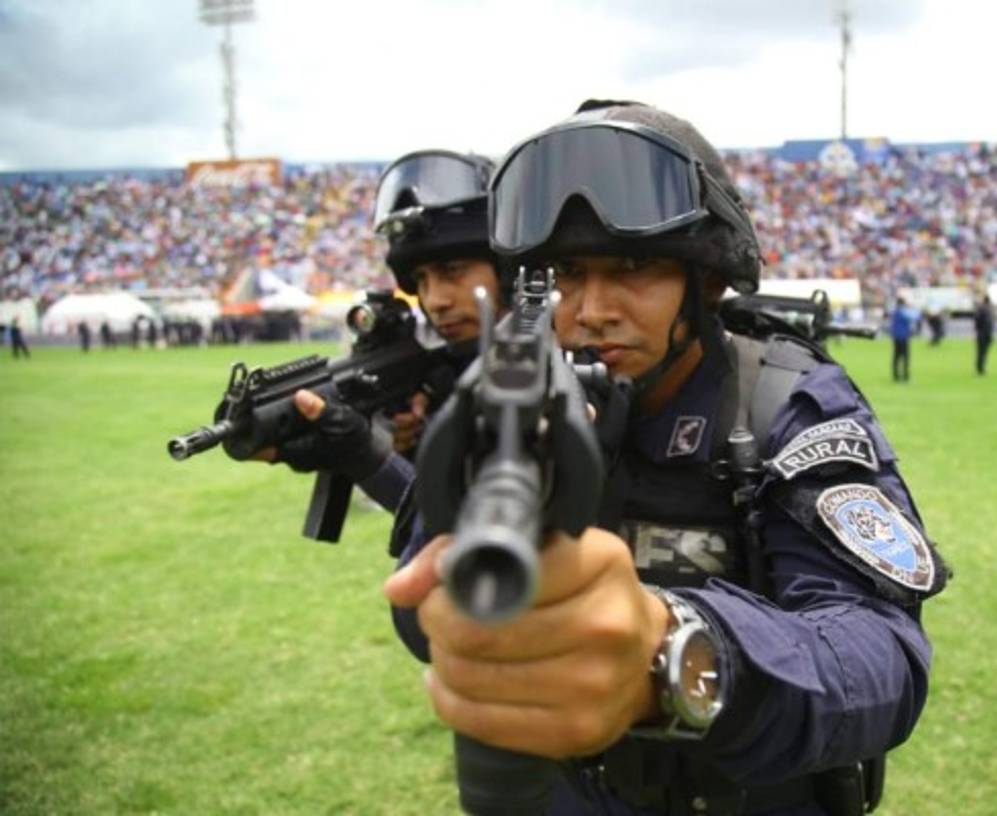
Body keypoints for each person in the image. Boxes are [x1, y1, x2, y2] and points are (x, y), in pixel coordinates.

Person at [383, 101, 947, 815]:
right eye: (567, 272)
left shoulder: (781, 402)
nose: (591, 309)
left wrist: (678, 649)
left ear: (706, 280)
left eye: (634, 267)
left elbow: (881, 658)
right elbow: (416, 602)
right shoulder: (518, 396)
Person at [254, 149, 506, 502]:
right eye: (421, 279)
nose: (434, 299)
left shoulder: (565, 373)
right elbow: (430, 531)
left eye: (453, 271)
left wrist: (367, 456)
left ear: (508, 271)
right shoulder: (446, 374)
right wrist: (409, 448)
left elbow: (483, 534)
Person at [888, 297, 918, 381]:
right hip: (903, 337)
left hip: (896, 336)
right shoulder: (903, 311)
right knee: (905, 357)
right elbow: (915, 316)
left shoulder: (895, 311)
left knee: (896, 356)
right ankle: (905, 376)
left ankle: (896, 375)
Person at [973, 296, 994, 375]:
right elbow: (988, 324)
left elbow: (976, 322)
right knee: (983, 352)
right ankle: (981, 369)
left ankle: (979, 368)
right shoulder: (988, 310)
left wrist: (977, 330)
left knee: (979, 352)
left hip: (980, 333)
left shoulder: (979, 309)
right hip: (985, 334)